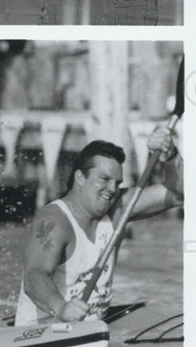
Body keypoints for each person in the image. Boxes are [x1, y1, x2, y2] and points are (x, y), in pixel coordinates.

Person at [14, 126, 183, 326]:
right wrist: (62, 308)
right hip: (41, 332)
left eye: (117, 182)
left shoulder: (118, 209)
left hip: (88, 332)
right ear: (80, 177)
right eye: (104, 179)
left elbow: (180, 193)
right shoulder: (53, 221)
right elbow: (34, 276)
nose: (112, 189)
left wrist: (170, 154)